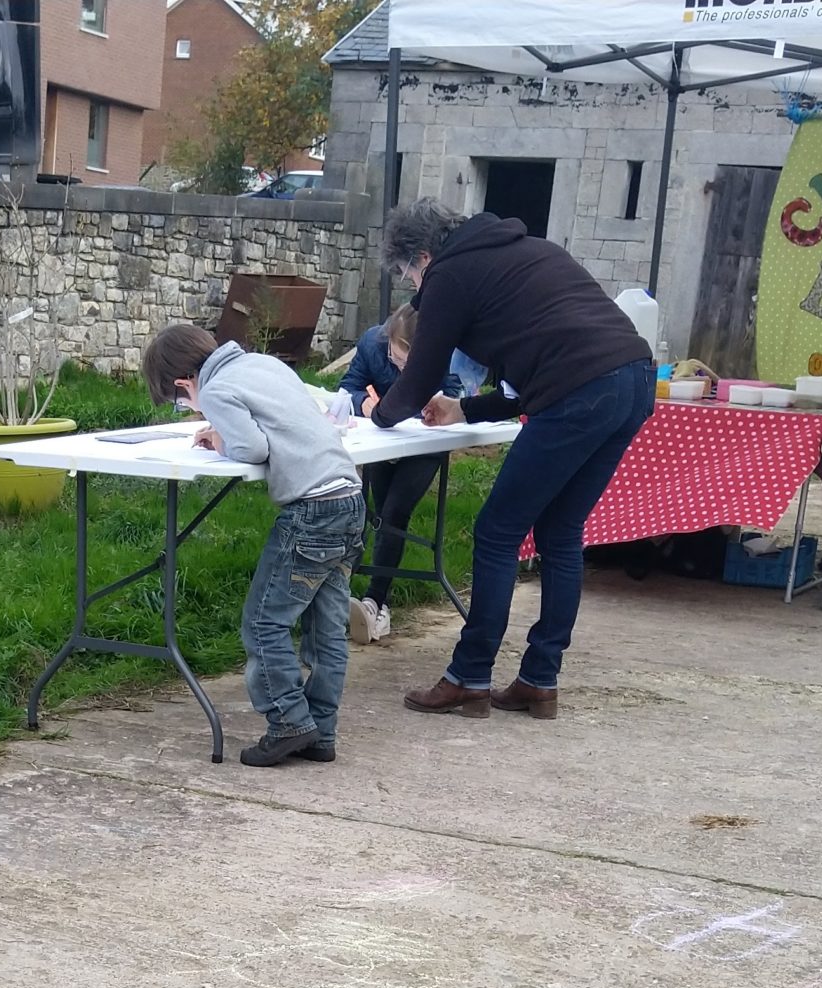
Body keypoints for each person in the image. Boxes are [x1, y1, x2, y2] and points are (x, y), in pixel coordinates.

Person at [370, 199, 654, 720]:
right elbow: (530, 380)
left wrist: (376, 416)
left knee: (498, 532)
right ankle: (539, 680)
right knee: (561, 533)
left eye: (408, 273)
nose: (413, 285)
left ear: (422, 256)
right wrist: (463, 409)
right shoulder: (526, 250)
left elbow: (420, 376)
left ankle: (469, 676)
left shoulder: (450, 273)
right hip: (633, 381)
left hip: (581, 391)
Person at [141, 322, 366, 765]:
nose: (190, 409)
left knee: (264, 623)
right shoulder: (262, 363)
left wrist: (219, 439)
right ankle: (321, 731)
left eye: (181, 404)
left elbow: (253, 448)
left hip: (310, 511)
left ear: (185, 384)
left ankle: (288, 721)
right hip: (349, 499)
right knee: (325, 628)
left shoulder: (217, 390)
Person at [337, 303, 459, 648]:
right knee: (374, 515)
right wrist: (362, 403)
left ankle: (376, 602)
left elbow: (455, 394)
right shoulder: (371, 343)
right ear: (388, 340)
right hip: (381, 440)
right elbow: (348, 387)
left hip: (424, 445)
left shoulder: (442, 350)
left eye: (410, 363)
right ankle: (345, 597)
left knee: (394, 514)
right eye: (397, 359)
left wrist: (432, 406)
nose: (402, 367)